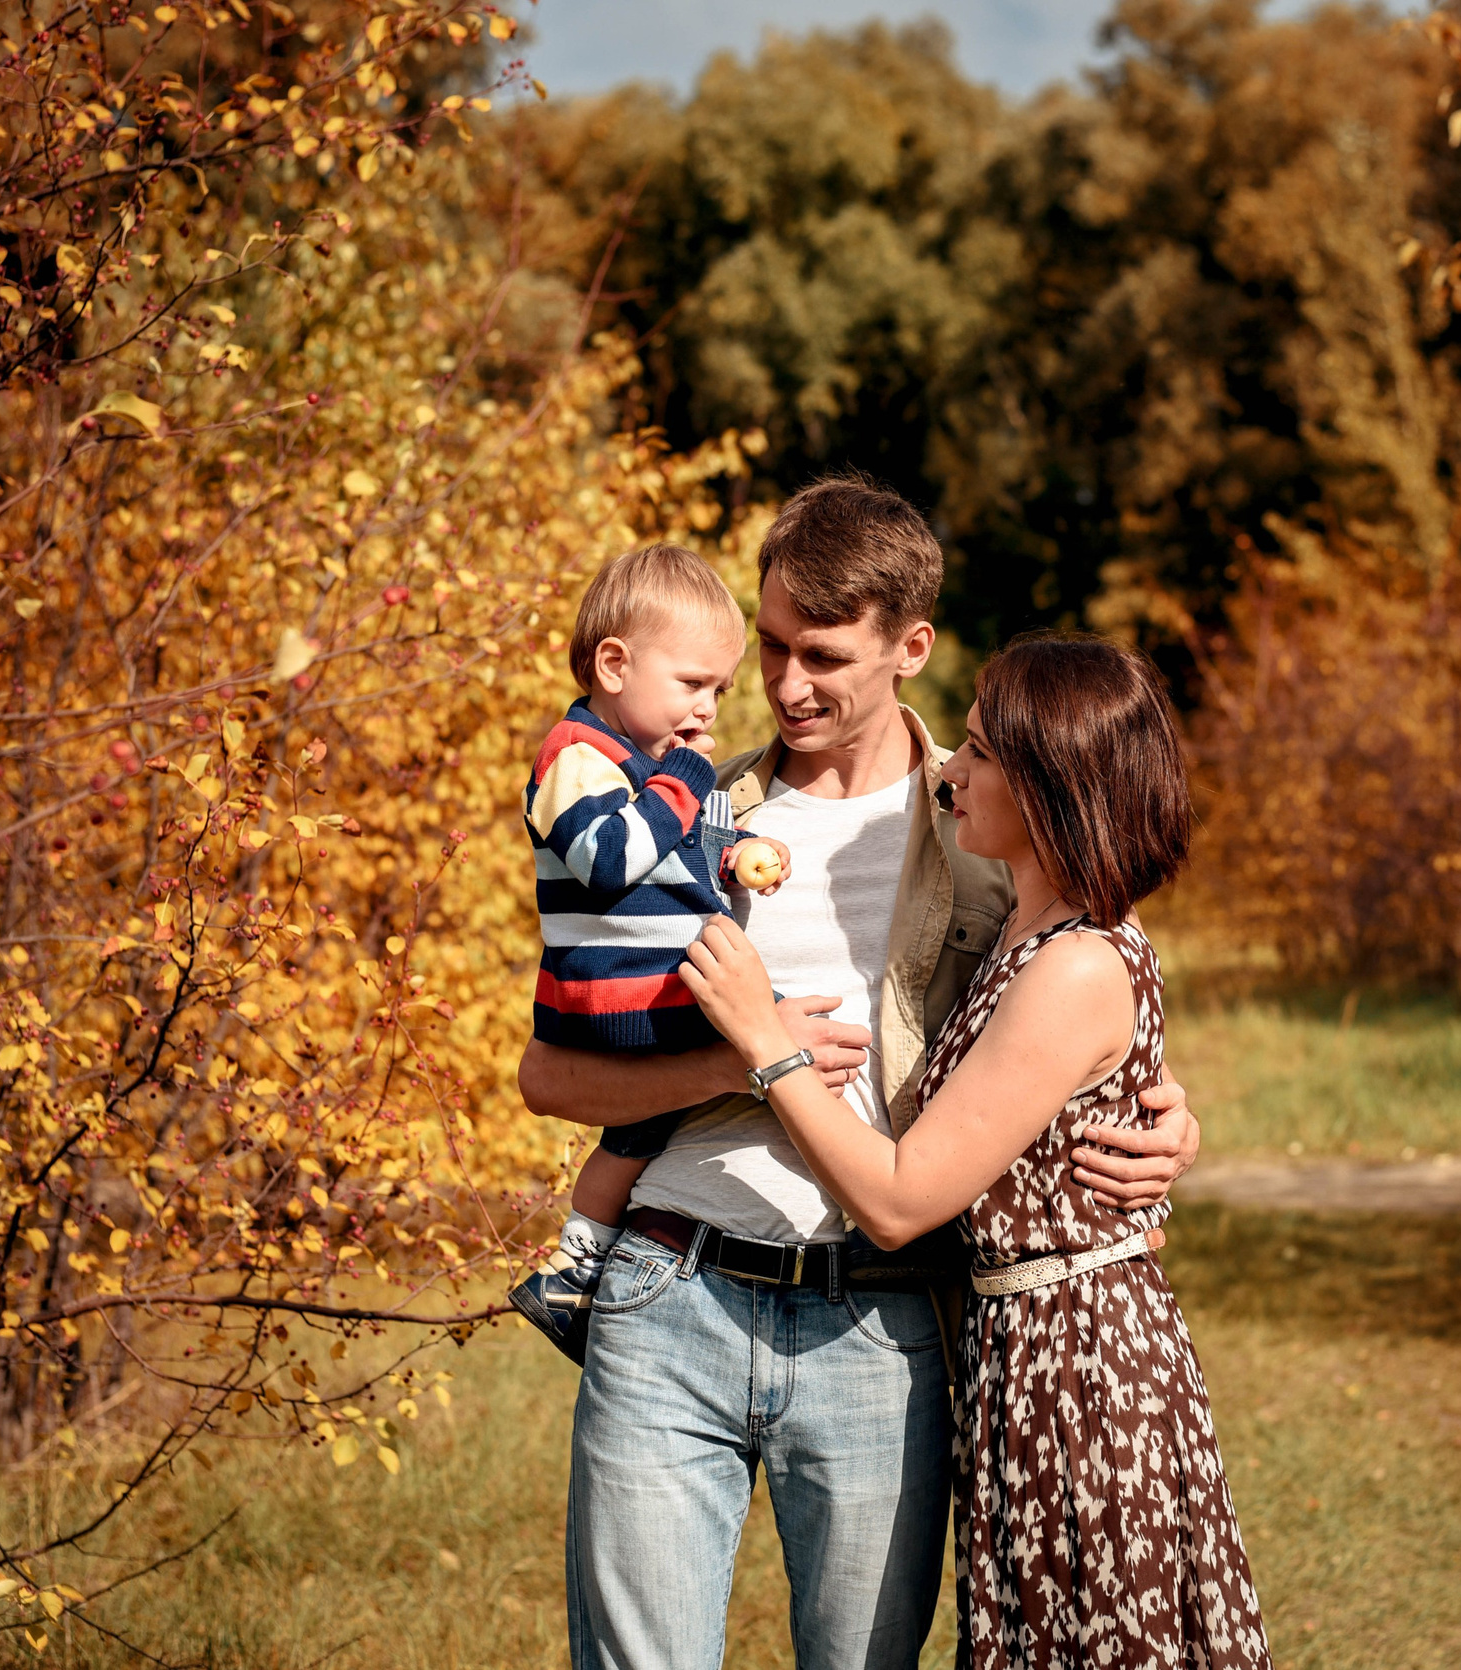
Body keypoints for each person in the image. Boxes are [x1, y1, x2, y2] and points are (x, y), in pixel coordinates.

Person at [516, 478, 1203, 1670]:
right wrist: (737, 1065)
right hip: (667, 1291)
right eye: (770, 647)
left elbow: (1072, 1021)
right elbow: (549, 1074)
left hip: (880, 1328)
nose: (786, 686)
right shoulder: (679, 806)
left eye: (822, 655)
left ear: (911, 648)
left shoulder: (990, 834)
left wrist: (1165, 1123)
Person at [679, 632, 1271, 1670]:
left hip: (1081, 1374)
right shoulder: (1022, 931)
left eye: (987, 754)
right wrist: (1173, 1117)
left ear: (1055, 788)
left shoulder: (1073, 962)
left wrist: (763, 1042)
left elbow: (903, 1199)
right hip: (1020, 1352)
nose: (953, 767)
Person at [507, 543, 793, 1361]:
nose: (707, 709)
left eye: (720, 690)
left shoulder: (646, 765)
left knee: (635, 1139)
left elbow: (671, 855)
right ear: (614, 664)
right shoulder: (575, 756)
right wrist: (684, 787)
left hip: (645, 989)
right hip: (622, 995)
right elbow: (607, 858)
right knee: (782, 1033)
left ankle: (571, 1274)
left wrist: (734, 851)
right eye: (691, 684)